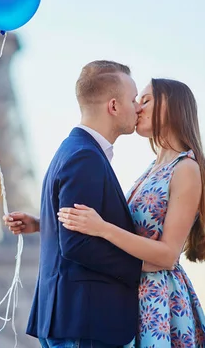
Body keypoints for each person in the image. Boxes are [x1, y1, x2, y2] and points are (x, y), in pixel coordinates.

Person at [6, 78, 205, 347]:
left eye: (146, 99)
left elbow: (167, 254)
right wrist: (41, 223)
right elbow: (125, 227)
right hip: (131, 294)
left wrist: (102, 228)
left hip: (157, 300)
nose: (138, 107)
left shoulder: (186, 169)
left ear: (172, 107)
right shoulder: (152, 169)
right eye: (137, 99)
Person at [16, 60, 144, 348]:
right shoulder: (85, 156)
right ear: (113, 106)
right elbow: (76, 243)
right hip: (84, 321)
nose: (138, 107)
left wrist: (41, 223)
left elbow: (68, 225)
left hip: (69, 318)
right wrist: (142, 266)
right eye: (133, 99)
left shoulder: (72, 150)